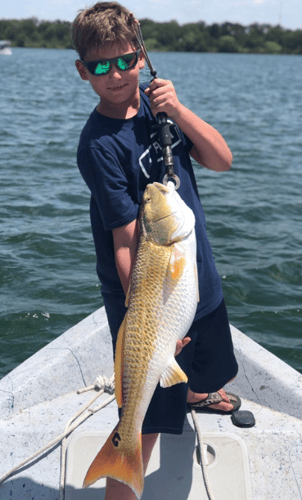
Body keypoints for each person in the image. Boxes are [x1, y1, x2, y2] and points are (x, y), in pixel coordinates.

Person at [72, 2, 239, 498]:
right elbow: (126, 240)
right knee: (144, 417)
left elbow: (222, 160)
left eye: (126, 59)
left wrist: (179, 110)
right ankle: (123, 464)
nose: (116, 74)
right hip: (149, 297)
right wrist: (151, 327)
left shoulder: (156, 105)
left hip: (193, 279)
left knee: (210, 364)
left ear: (141, 56)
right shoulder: (98, 145)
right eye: (101, 66)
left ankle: (195, 391)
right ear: (83, 72)